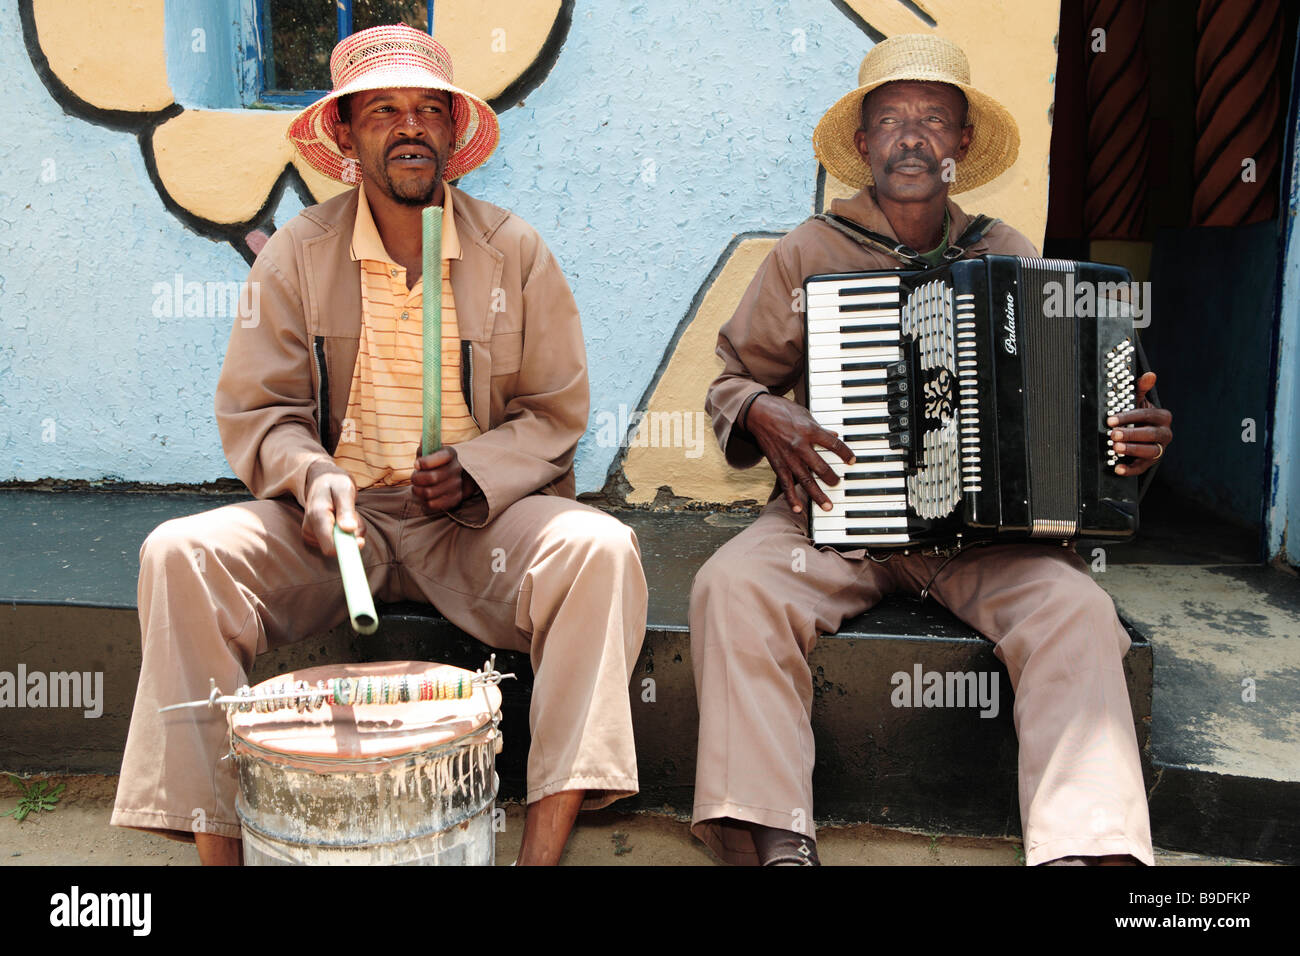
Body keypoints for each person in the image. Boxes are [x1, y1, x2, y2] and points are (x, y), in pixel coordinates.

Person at [111, 24, 647, 866]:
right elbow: (262, 412)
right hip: (333, 531)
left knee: (602, 550)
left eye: (430, 109)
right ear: (349, 134)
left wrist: (474, 474)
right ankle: (221, 854)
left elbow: (555, 410)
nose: (410, 126)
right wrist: (313, 475)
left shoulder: (515, 251)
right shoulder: (296, 255)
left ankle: (541, 854)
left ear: (450, 135)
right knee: (178, 553)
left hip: (471, 530)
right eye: (385, 110)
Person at [690, 33, 1173, 866]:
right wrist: (766, 410)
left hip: (984, 541)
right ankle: (769, 837)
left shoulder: (1011, 253)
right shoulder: (808, 251)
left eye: (933, 121)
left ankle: (1088, 851)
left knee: (1081, 614)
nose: (912, 137)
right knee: (730, 585)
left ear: (958, 146)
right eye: (892, 121)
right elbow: (731, 380)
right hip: (838, 522)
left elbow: (1080, 417)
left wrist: (1132, 442)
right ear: (866, 144)